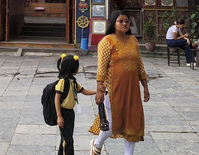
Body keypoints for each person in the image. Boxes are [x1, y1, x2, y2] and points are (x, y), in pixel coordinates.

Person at [90, 10, 150, 155]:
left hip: (132, 89)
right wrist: (99, 91)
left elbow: (139, 65)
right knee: (113, 122)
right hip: (113, 89)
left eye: (127, 21)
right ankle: (97, 144)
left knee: (133, 122)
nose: (124, 24)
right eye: (120, 21)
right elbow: (101, 68)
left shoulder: (133, 40)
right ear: (113, 23)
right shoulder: (107, 41)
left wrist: (145, 87)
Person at [54, 54, 95, 155]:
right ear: (72, 68)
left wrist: (97, 92)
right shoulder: (62, 82)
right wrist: (59, 116)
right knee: (68, 140)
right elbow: (57, 99)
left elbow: (84, 91)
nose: (78, 69)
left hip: (70, 114)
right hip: (63, 113)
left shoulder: (73, 82)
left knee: (66, 138)